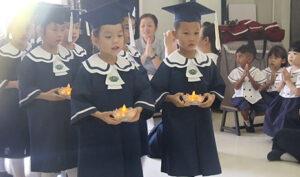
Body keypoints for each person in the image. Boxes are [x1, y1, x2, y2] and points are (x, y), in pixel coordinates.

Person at [70, 1, 154, 176]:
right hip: (97, 133)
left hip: (127, 131)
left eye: (119, 34)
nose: (116, 40)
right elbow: (78, 99)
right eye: (108, 36)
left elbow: (144, 90)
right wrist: (99, 115)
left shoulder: (130, 66)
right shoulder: (87, 68)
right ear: (95, 39)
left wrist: (138, 109)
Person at [150, 1, 225, 176]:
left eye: (196, 32)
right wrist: (170, 98)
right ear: (175, 35)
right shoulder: (170, 63)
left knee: (200, 159)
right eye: (185, 33)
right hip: (177, 121)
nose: (192, 38)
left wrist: (212, 97)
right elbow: (156, 89)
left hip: (202, 119)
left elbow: (218, 85)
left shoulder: (206, 62)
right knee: (182, 161)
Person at [18, 3, 78, 177]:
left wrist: (73, 91)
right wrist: (47, 95)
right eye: (54, 30)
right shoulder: (30, 59)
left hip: (68, 116)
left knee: (73, 160)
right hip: (44, 120)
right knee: (49, 165)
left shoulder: (70, 56)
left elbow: (77, 81)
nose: (60, 34)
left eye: (62, 29)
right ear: (40, 30)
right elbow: (25, 88)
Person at [0, 5, 34, 177]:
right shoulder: (3, 53)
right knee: (15, 147)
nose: (24, 33)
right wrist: (17, 84)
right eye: (20, 29)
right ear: (11, 30)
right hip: (10, 107)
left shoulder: (34, 52)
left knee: (31, 144)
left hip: (31, 106)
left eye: (28, 29)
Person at [263, 41, 300, 137]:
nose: (291, 56)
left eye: (295, 54)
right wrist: (283, 81)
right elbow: (278, 89)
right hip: (282, 99)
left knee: (285, 116)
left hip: (294, 101)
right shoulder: (286, 70)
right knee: (270, 112)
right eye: (289, 53)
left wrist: (288, 80)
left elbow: (298, 92)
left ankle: (285, 137)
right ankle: (276, 135)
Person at [228, 44, 266, 133]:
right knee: (244, 106)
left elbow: (257, 87)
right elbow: (236, 86)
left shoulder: (256, 71)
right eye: (237, 56)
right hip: (239, 96)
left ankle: (252, 116)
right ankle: (247, 121)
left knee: (265, 107)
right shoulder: (235, 71)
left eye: (240, 56)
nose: (238, 59)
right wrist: (243, 76)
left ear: (249, 59)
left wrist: (249, 76)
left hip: (254, 95)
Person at [61, 9, 87, 83]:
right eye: (69, 27)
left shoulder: (81, 52)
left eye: (77, 27)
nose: (74, 31)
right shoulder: (55, 52)